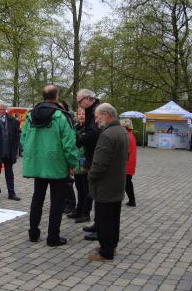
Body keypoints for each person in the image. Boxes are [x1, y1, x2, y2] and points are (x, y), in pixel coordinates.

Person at [21, 85, 78, 247]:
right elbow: (69, 143)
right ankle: (53, 237)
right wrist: (72, 163)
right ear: (57, 96)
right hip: (57, 166)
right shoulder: (61, 116)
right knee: (57, 201)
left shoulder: (31, 116)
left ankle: (33, 233)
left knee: (37, 198)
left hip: (37, 166)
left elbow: (23, 138)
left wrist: (33, 154)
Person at [88, 103, 129, 261]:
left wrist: (91, 176)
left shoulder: (107, 134)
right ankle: (112, 245)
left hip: (105, 185)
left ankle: (106, 252)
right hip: (117, 183)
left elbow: (99, 164)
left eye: (97, 117)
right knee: (113, 218)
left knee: (104, 219)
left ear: (105, 115)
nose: (96, 121)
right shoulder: (122, 131)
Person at [75, 89, 100, 238]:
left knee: (97, 193)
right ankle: (97, 224)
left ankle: (99, 227)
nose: (79, 104)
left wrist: (78, 141)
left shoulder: (96, 111)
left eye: (80, 101)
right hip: (92, 157)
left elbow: (93, 133)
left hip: (96, 157)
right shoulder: (91, 110)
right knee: (95, 192)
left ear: (88, 98)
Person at [67, 107, 91, 223]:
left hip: (85, 163)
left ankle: (85, 213)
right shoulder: (75, 128)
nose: (81, 115)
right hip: (76, 162)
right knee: (79, 188)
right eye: (79, 114)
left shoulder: (89, 129)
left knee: (86, 189)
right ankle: (79, 209)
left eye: (84, 114)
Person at [121, 118, 137, 207]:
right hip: (130, 162)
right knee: (127, 182)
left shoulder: (126, 136)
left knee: (126, 183)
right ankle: (131, 200)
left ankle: (132, 200)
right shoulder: (130, 134)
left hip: (127, 162)